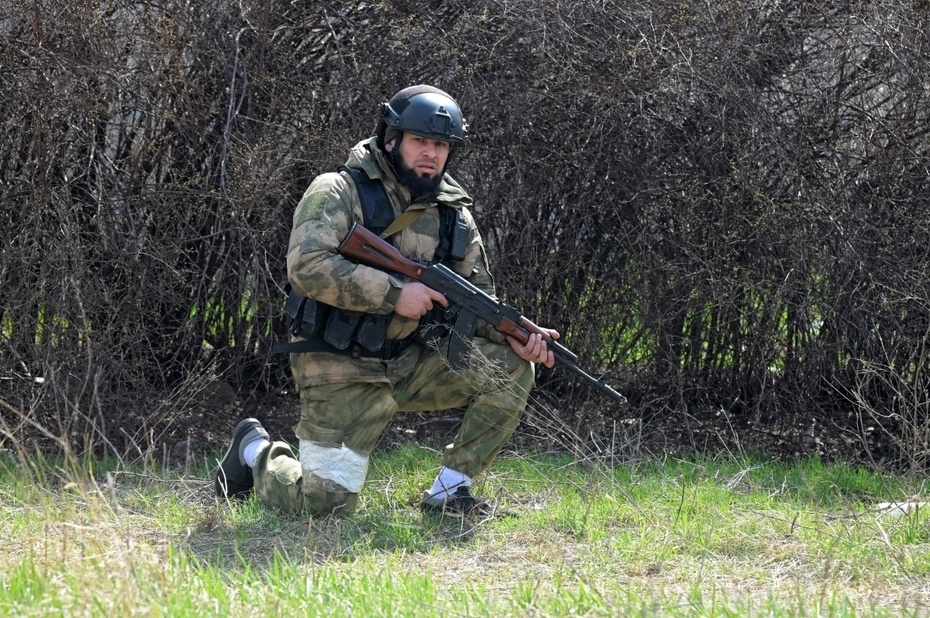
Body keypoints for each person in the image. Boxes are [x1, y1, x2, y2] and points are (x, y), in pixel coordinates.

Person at [215, 84, 557, 517]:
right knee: (324, 508)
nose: (431, 153)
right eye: (420, 141)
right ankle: (256, 450)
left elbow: (479, 299)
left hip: (409, 362)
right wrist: (395, 293)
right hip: (338, 365)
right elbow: (306, 266)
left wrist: (520, 333)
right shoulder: (338, 190)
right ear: (391, 140)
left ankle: (451, 492)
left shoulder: (456, 216)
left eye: (441, 145)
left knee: (511, 367)